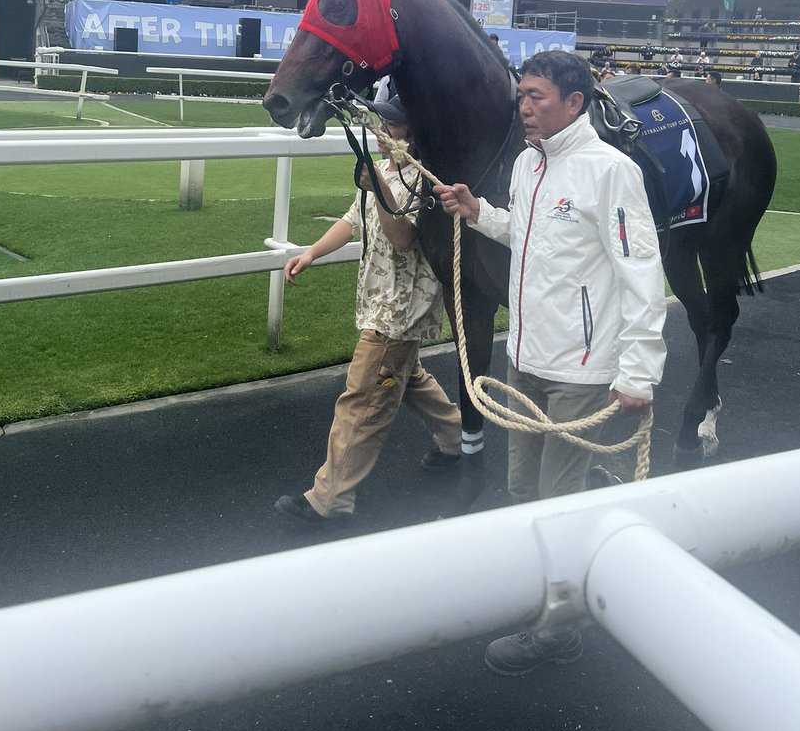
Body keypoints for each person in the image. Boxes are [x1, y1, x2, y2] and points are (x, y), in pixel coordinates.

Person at [434, 51, 666, 677]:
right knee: (518, 488)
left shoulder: (610, 171)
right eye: (522, 95)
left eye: (537, 96)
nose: (525, 106)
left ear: (575, 103)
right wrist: (478, 212)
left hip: (582, 370)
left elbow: (641, 270)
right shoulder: (527, 165)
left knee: (555, 497)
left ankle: (560, 630)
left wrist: (639, 369)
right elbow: (529, 238)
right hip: (526, 359)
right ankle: (535, 588)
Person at [275, 95, 461, 523]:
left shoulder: (425, 180)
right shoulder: (388, 171)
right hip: (382, 302)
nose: (381, 133)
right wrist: (312, 253)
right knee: (405, 377)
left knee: (362, 401)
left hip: (399, 310)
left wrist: (376, 185)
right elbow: (352, 219)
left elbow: (401, 238)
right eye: (381, 125)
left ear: (413, 135)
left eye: (392, 127)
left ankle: (331, 499)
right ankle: (457, 437)